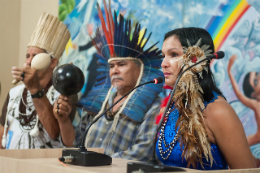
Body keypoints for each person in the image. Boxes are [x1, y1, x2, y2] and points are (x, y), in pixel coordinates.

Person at [53, 1, 163, 161]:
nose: (115, 70)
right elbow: (76, 145)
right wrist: (63, 121)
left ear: (139, 69)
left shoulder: (153, 107)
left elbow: (142, 153)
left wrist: (99, 163)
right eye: (111, 66)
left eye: (122, 64)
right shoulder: (100, 103)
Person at [155, 27, 256, 170]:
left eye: (173, 54)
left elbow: (247, 171)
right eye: (163, 56)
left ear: (195, 59)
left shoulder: (218, 111)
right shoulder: (173, 105)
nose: (164, 63)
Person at [0, 12, 71, 149]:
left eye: (35, 56)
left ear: (52, 62)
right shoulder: (14, 93)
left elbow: (54, 133)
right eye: (27, 56)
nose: (28, 61)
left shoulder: (63, 94)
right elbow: (2, 133)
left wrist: (35, 89)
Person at [228, 55, 260, 146]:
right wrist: (229, 71)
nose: (259, 78)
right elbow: (238, 94)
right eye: (256, 82)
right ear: (253, 94)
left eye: (257, 74)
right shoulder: (255, 104)